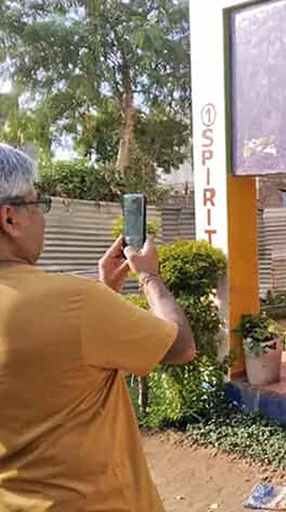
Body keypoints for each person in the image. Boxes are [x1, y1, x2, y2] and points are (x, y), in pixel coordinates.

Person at [0, 144, 195, 512]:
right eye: (37, 205)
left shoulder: (81, 305)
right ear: (10, 219)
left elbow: (56, 364)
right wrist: (150, 276)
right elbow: (181, 346)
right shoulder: (77, 302)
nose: (43, 218)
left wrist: (106, 291)